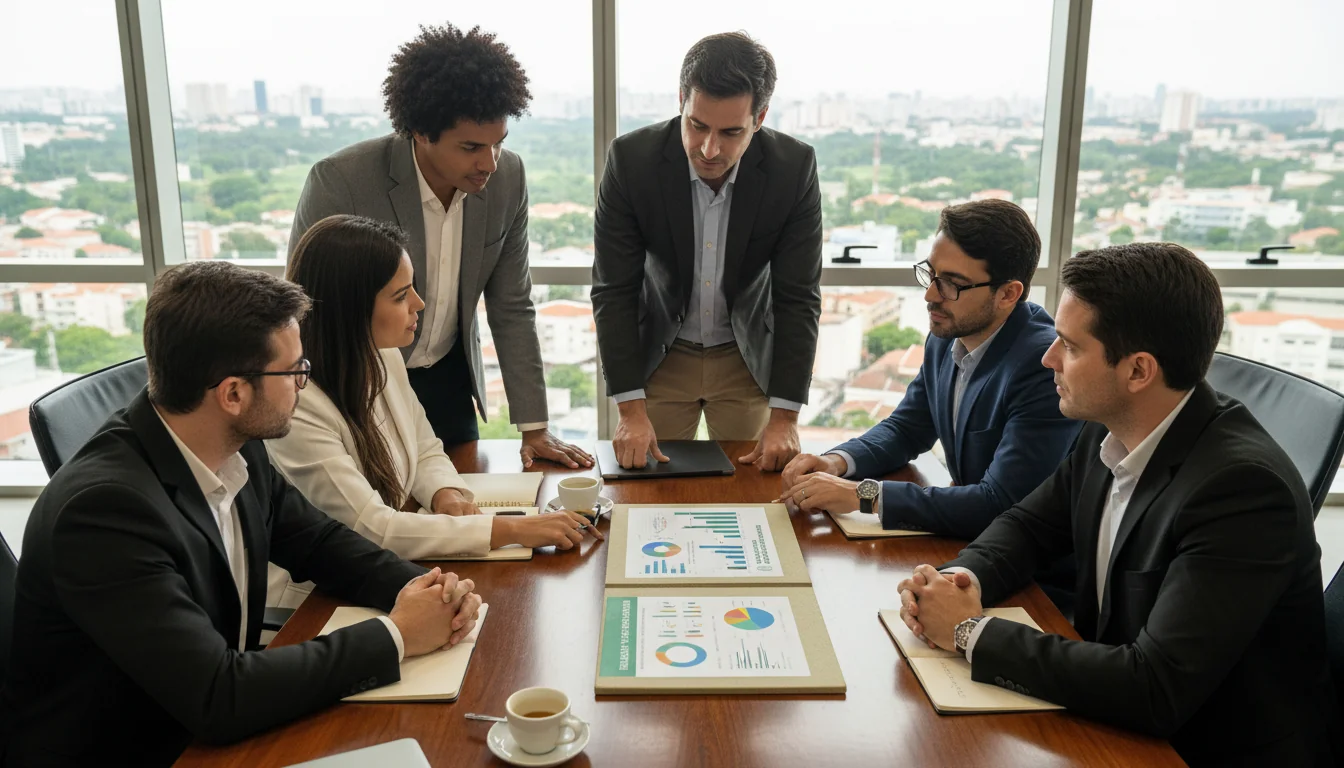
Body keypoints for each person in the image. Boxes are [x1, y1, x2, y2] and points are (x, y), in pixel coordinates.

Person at [0, 261, 489, 767]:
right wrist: (399, 634)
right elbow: (218, 696)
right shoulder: (104, 515)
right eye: (296, 369)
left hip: (205, 725)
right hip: (144, 750)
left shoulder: (234, 445)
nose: (305, 381)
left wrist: (427, 590)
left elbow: (318, 543)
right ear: (233, 393)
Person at [897, 243, 1341, 767]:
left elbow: (1154, 688)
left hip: (1199, 748)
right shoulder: (1110, 429)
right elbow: (1027, 526)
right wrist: (957, 582)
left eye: (1070, 346)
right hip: (1116, 717)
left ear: (1138, 372)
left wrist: (970, 632)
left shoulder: (1242, 491)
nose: (1048, 358)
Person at [291, 23, 591, 470]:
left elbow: (511, 304)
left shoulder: (508, 178)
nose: (489, 163)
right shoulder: (341, 182)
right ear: (420, 131)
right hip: (359, 383)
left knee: (460, 504)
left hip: (449, 380)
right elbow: (305, 309)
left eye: (498, 144)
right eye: (471, 147)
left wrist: (535, 427)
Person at [267, 215, 601, 607]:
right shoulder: (299, 407)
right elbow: (372, 529)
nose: (419, 304)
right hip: (319, 602)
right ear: (351, 308)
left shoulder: (383, 356)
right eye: (400, 295)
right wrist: (513, 528)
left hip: (392, 569)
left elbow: (425, 447)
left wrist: (444, 493)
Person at [779, 200, 1081, 542]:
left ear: (1008, 294)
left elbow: (1001, 503)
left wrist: (862, 495)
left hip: (1032, 567)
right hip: (969, 538)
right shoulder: (946, 333)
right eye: (931, 274)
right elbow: (909, 428)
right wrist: (836, 462)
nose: (930, 295)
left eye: (952, 283)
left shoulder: (1043, 366)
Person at [592, 32, 822, 471]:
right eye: (697, 125)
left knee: (754, 490)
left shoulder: (792, 169)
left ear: (760, 118)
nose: (709, 149)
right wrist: (629, 411)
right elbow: (613, 290)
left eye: (731, 132)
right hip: (660, 354)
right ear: (681, 99)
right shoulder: (631, 160)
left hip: (746, 356)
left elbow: (798, 297)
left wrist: (786, 416)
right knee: (647, 487)